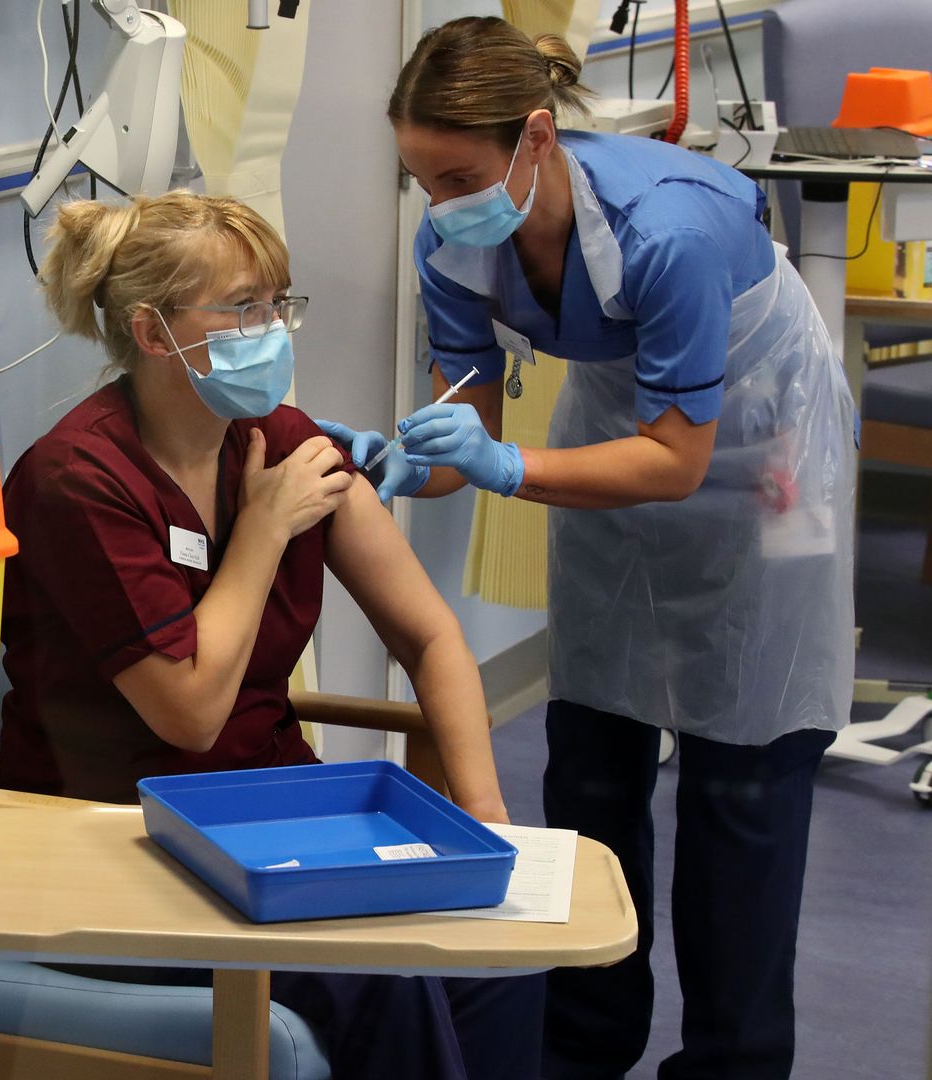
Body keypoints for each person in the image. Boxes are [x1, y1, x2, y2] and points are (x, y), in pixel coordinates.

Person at [313, 18, 857, 1080]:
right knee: (594, 756)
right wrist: (402, 458)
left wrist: (509, 469)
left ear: (538, 137)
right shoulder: (457, 239)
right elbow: (464, 423)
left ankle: (734, 1061)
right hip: (618, 436)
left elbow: (675, 462)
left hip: (758, 448)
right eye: (419, 179)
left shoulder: (673, 231)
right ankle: (583, 1043)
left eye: (457, 175)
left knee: (743, 782)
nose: (440, 206)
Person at [0, 189, 540, 1079]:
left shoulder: (278, 439)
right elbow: (192, 715)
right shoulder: (78, 482)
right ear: (152, 331)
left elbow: (432, 639)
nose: (274, 329)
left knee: (499, 966)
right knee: (390, 985)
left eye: (278, 304)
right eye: (244, 308)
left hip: (278, 826)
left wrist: (487, 827)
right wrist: (263, 529)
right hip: (119, 844)